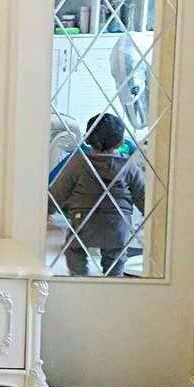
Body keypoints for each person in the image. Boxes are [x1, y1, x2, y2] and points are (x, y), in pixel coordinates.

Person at [48, 113, 146, 276]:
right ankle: (114, 280)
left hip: (84, 221)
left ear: (87, 139)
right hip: (117, 225)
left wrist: (47, 210)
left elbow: (59, 190)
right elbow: (142, 196)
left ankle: (79, 276)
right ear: (120, 142)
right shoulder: (128, 166)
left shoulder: (78, 162)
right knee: (116, 257)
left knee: (74, 250)